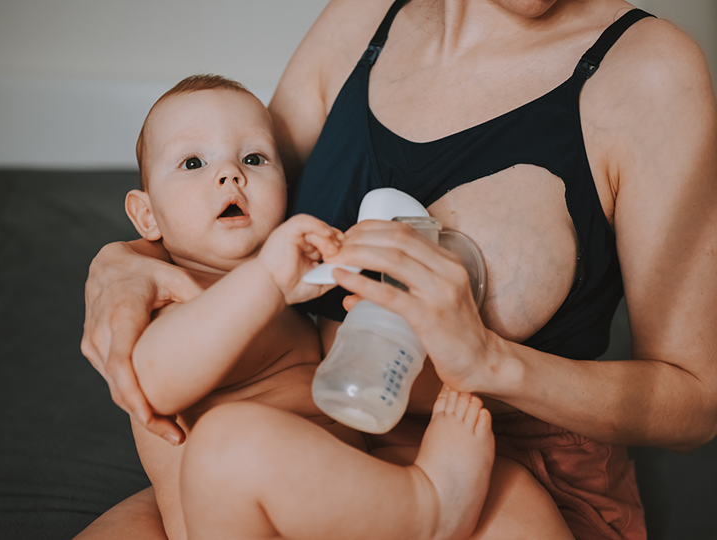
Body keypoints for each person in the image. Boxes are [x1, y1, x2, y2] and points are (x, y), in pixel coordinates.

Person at [80, 0, 717, 538]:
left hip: (483, 446)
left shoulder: (647, 74)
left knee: (510, 504)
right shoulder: (363, 16)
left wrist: (496, 364)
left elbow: (696, 401)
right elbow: (229, 204)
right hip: (315, 451)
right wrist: (122, 261)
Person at [81, 73, 571, 540]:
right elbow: (151, 383)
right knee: (225, 442)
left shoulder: (293, 286)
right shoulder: (166, 295)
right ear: (146, 214)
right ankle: (427, 508)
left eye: (254, 159)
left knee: (511, 491)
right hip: (232, 520)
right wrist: (268, 278)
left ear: (288, 193)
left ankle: (410, 501)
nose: (230, 174)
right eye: (193, 163)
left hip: (341, 503)